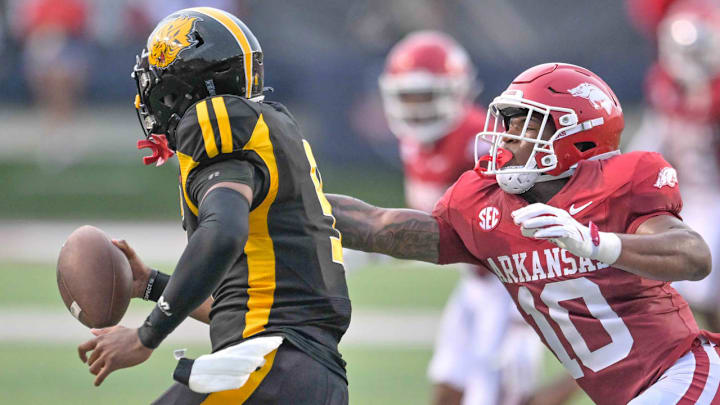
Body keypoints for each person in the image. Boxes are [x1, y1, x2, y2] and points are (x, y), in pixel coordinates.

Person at [327, 62, 720, 404]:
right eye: (507, 122)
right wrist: (288, 193)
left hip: (686, 374)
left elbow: (694, 256)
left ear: (576, 133)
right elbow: (381, 226)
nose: (508, 136)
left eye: (525, 123)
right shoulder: (485, 206)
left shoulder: (619, 183)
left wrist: (595, 243)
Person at [76, 7, 351, 404]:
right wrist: (151, 284)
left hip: (271, 364)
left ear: (181, 88)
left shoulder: (216, 120)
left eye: (159, 88)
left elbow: (223, 232)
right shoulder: (271, 132)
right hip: (308, 375)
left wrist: (145, 336)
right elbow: (239, 304)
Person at [378, 31, 577, 405]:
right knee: (448, 390)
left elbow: (537, 209)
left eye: (426, 96)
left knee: (499, 397)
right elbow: (431, 221)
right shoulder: (413, 143)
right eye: (409, 97)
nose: (417, 108)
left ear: (456, 91)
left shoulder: (483, 143)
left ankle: (588, 380)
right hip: (477, 280)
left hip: (513, 279)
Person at [629, 0, 720, 332]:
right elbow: (658, 133)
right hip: (686, 193)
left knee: (700, 288)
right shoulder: (663, 79)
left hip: (713, 192)